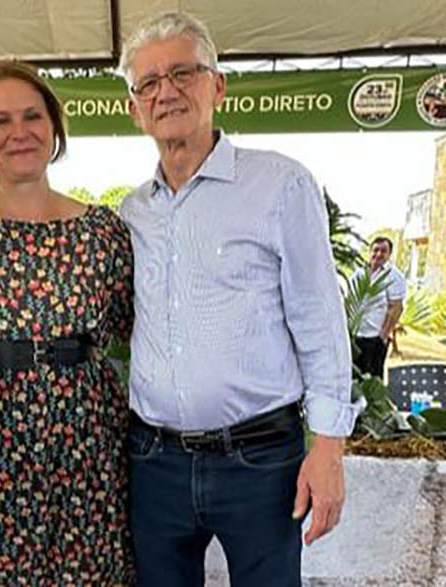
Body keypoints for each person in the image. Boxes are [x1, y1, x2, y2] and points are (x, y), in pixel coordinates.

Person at [118, 12, 359, 586]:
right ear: (133, 107)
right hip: (155, 463)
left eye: (183, 72)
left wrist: (328, 451)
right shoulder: (131, 214)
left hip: (259, 461)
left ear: (217, 85)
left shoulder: (280, 185)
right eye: (148, 83)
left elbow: (320, 324)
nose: (167, 91)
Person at [0, 61, 135, 585]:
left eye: (32, 116)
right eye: (1, 120)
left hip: (86, 439)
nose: (19, 132)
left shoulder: (102, 232)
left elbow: (133, 329)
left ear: (54, 128)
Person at [351, 236, 405, 378]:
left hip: (375, 338)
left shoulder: (393, 276)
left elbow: (396, 308)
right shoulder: (359, 273)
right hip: (355, 336)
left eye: (383, 251)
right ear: (370, 252)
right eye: (376, 250)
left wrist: (383, 335)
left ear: (389, 255)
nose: (379, 254)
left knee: (372, 380)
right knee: (354, 378)